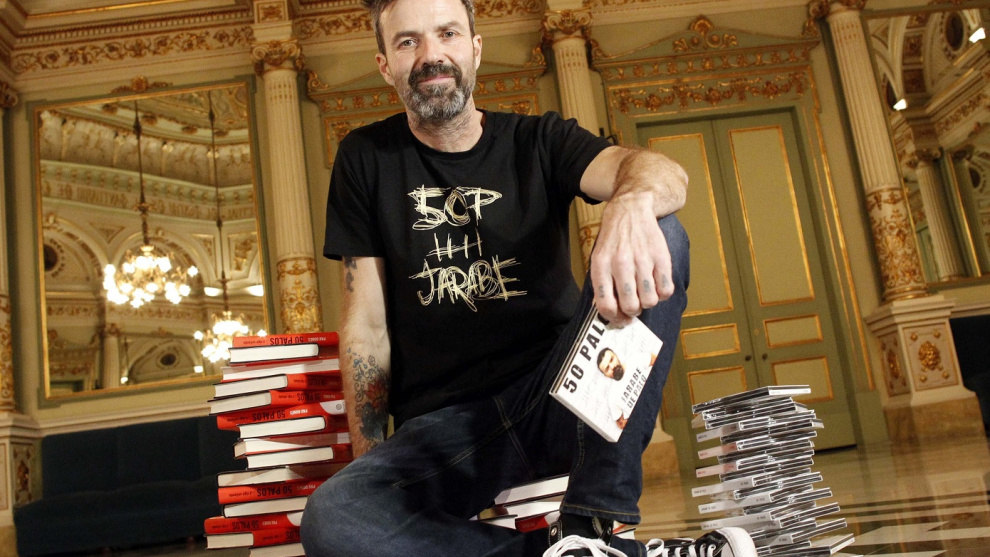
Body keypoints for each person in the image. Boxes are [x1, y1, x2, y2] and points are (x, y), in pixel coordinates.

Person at [300, 0, 756, 555]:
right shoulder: (365, 158)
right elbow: (366, 329)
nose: (431, 55)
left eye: (447, 33)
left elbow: (666, 175)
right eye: (407, 41)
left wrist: (631, 202)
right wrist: (375, 474)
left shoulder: (539, 140)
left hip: (565, 395)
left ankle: (592, 522)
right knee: (334, 517)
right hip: (448, 432)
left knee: (662, 229)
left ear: (475, 48)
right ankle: (590, 554)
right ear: (384, 65)